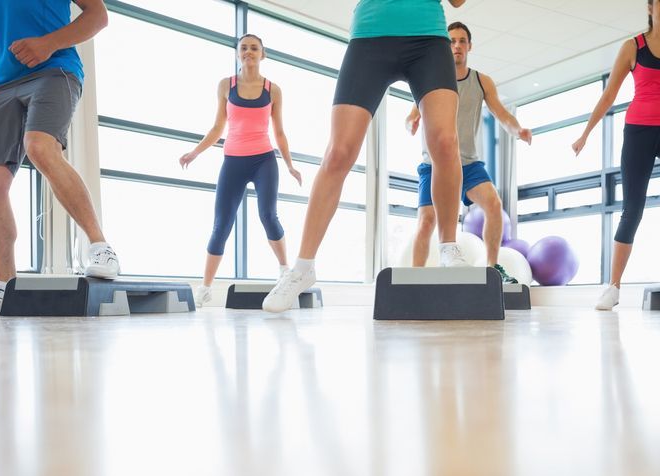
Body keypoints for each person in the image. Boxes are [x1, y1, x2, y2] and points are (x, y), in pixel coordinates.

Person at [261, 0, 467, 313]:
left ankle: (449, 248)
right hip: (370, 34)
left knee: (445, 141)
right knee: (339, 152)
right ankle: (302, 268)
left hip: (428, 37)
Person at [0, 0, 120, 315]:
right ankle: (6, 286)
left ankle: (101, 247)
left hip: (54, 70)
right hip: (1, 84)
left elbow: (98, 15)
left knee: (40, 146)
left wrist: (49, 43)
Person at [571, 0, 660, 311]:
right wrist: (586, 134)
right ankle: (614, 286)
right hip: (639, 133)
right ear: (650, 7)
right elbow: (609, 94)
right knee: (632, 208)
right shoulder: (634, 46)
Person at [180, 35, 302, 307]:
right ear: (238, 54)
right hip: (233, 161)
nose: (248, 52)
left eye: (254, 48)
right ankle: (206, 288)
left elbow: (279, 132)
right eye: (244, 48)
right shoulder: (226, 85)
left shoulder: (273, 90)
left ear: (263, 54)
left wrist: (290, 164)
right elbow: (217, 128)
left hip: (264, 161)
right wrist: (195, 152)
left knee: (268, 215)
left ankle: (285, 272)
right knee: (221, 224)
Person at [405, 21, 532, 283]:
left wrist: (517, 130)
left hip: (468, 164)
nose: (457, 46)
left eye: (462, 41)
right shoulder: (432, 79)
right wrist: (411, 122)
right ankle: (413, 280)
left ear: (469, 46)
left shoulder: (481, 81)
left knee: (494, 205)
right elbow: (412, 114)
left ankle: (492, 266)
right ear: (445, 46)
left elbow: (500, 112)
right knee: (427, 220)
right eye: (452, 41)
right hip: (435, 165)